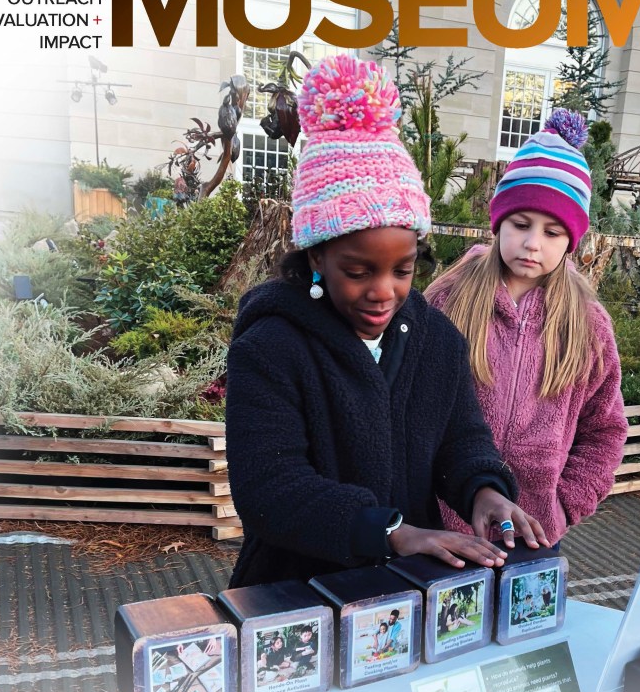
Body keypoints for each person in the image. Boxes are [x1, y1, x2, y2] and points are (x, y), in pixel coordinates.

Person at [225, 54, 549, 589]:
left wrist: (485, 492)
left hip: (406, 593)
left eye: (402, 270)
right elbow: (269, 490)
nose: (384, 292)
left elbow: (461, 441)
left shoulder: (436, 339)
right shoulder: (272, 347)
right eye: (357, 271)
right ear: (314, 258)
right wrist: (391, 532)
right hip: (293, 598)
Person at [424, 110, 628, 546]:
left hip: (535, 537)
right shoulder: (449, 299)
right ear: (499, 222)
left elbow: (604, 430)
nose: (533, 242)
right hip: (445, 532)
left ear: (571, 241)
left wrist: (564, 505)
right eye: (520, 225)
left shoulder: (587, 325)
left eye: (553, 232)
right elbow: (412, 406)